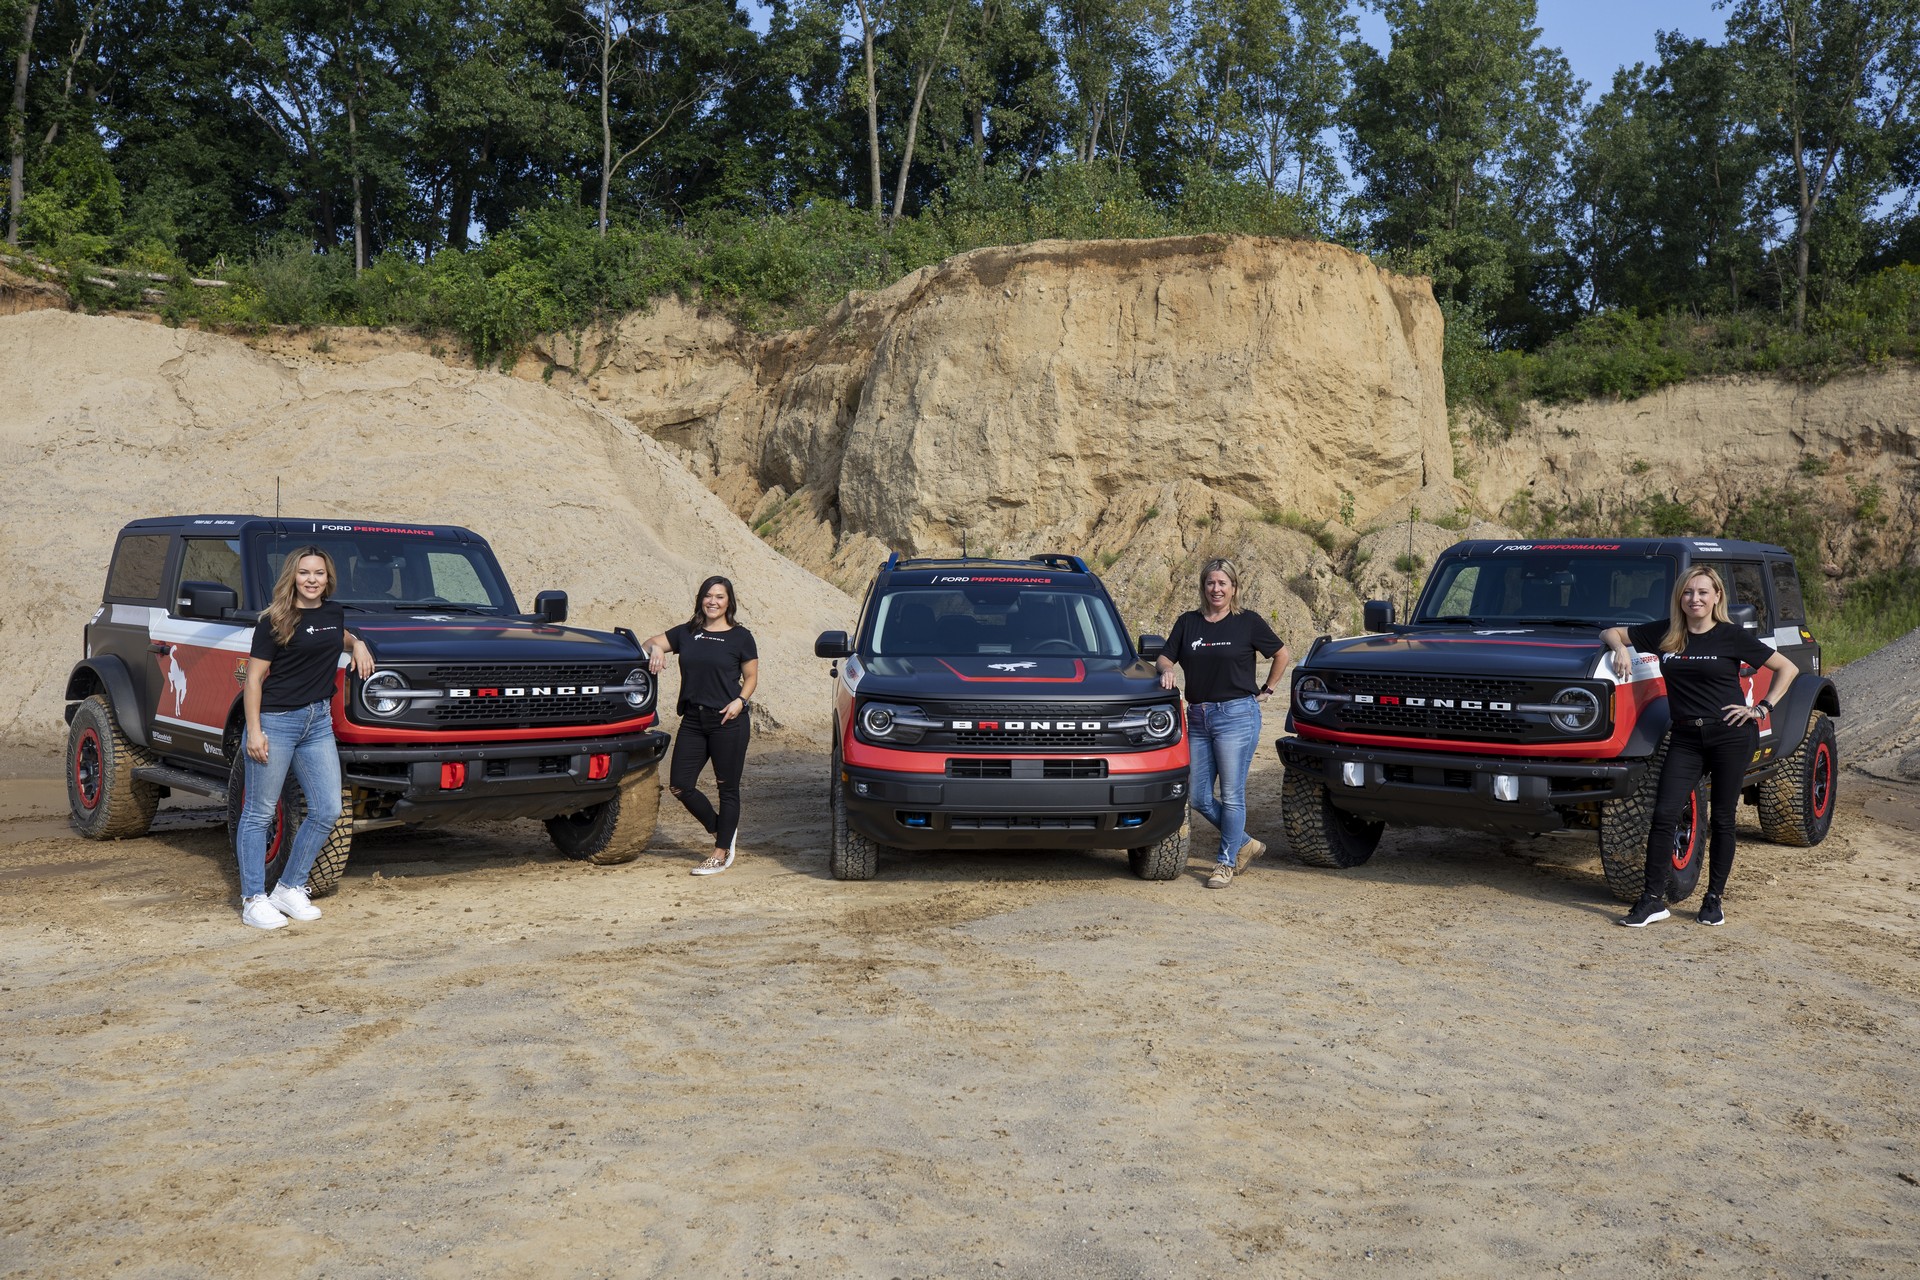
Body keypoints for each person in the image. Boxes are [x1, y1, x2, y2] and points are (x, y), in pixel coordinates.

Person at [1603, 564, 1797, 927]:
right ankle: (1652, 900)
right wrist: (1622, 650)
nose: (1695, 599)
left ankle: (1713, 899)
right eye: (1689, 592)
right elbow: (1610, 632)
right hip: (1685, 737)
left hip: (1730, 734)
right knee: (1663, 815)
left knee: (1723, 819)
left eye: (1703, 592)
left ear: (1716, 597)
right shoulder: (1666, 633)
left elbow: (1787, 668)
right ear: (1681, 596)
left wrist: (1761, 708)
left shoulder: (1730, 636)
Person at [237, 547, 374, 929]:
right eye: (304, 573)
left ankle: (289, 887)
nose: (312, 579)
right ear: (292, 577)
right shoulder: (274, 620)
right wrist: (255, 731)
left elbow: (338, 636)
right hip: (276, 722)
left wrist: (358, 643)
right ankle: (253, 899)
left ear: (328, 578)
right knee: (259, 814)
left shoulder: (333, 613)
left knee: (328, 809)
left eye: (319, 573)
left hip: (318, 723)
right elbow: (253, 680)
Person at [1156, 558, 1290, 888]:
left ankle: (1225, 862)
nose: (1216, 589)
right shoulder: (1188, 622)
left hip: (1237, 717)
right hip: (1198, 716)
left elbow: (1282, 654)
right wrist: (1167, 670)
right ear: (1203, 587)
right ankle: (1245, 843)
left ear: (1234, 588)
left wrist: (1268, 690)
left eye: (1223, 583)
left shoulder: (1248, 622)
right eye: (1211, 583)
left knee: (1231, 795)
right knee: (1199, 795)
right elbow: (1163, 656)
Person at [644, 576, 759, 876]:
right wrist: (656, 650)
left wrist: (741, 702)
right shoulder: (687, 632)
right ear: (700, 599)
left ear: (729, 602)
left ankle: (720, 852)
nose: (713, 601)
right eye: (708, 596)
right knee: (680, 784)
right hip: (693, 720)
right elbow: (649, 642)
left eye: (720, 597)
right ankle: (721, 828)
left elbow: (751, 678)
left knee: (727, 788)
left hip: (728, 720)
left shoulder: (741, 637)